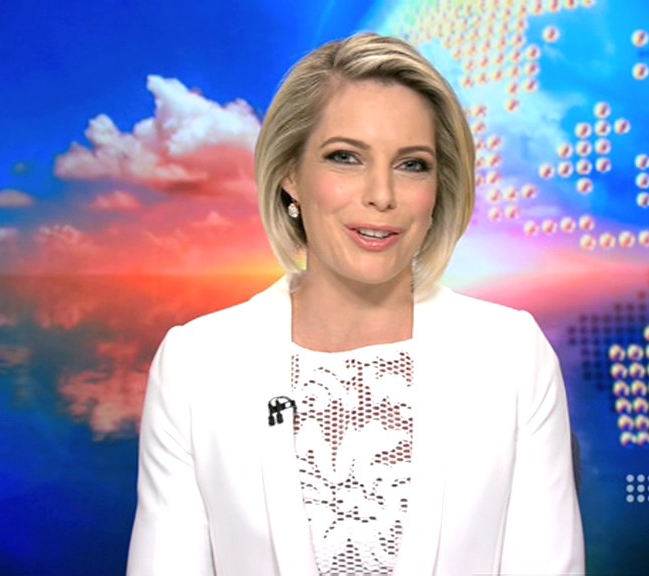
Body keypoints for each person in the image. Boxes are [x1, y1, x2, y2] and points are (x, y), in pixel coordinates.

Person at [126, 32, 584, 575]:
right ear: (291, 174)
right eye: (345, 158)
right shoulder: (197, 364)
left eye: (412, 165)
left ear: (439, 188)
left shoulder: (510, 355)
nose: (381, 195)